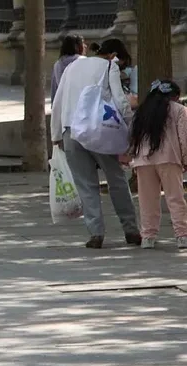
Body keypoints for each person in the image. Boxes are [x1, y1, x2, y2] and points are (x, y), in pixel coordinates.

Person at [52, 38, 140, 249]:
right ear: (114, 56)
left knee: (86, 184)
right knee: (116, 179)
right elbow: (120, 101)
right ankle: (131, 229)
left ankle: (96, 233)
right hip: (98, 132)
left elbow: (58, 102)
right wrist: (131, 128)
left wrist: (56, 135)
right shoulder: (109, 66)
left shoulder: (72, 67)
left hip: (70, 131)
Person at [128, 80, 187, 249]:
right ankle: (182, 235)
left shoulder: (141, 112)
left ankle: (148, 236)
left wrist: (132, 157)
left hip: (143, 160)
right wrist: (185, 159)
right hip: (169, 158)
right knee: (175, 198)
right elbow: (184, 138)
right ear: (174, 96)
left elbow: (132, 137)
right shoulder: (179, 110)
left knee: (147, 200)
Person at [51, 34, 86, 101]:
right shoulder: (83, 61)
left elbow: (54, 88)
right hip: (79, 101)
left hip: (63, 101)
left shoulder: (57, 64)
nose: (85, 46)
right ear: (77, 46)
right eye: (82, 43)